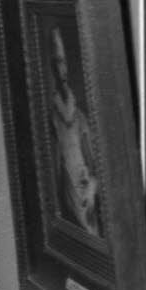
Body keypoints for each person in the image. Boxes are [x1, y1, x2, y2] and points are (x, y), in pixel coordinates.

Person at [48, 25, 102, 237]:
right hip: (67, 185)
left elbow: (92, 159)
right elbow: (54, 164)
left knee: (92, 230)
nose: (61, 69)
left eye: (63, 63)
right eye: (56, 63)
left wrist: (92, 186)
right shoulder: (52, 116)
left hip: (84, 181)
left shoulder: (79, 116)